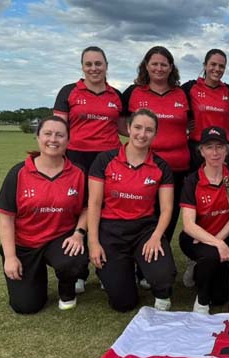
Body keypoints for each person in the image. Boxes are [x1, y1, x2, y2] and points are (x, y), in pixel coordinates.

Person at [0, 116, 88, 313]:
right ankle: (35, 278)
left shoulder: (79, 172)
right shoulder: (18, 172)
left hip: (59, 239)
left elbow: (87, 208)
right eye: (47, 133)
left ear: (68, 141)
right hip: (25, 244)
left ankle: (67, 290)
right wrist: (10, 257)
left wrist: (79, 233)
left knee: (74, 258)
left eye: (60, 135)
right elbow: (6, 219)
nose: (53, 139)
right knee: (26, 306)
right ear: (38, 137)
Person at [87, 108, 176, 312]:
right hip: (111, 230)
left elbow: (166, 209)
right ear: (128, 128)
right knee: (122, 303)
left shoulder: (161, 166)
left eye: (149, 130)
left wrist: (156, 237)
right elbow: (94, 203)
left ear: (155, 134)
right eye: (137, 127)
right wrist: (93, 242)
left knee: (163, 275)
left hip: (144, 229)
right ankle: (118, 274)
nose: (142, 134)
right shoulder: (105, 160)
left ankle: (161, 292)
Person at [54, 46, 123, 293]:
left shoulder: (116, 95)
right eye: (89, 64)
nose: (94, 68)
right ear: (82, 67)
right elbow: (58, 129)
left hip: (108, 160)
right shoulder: (69, 92)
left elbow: (127, 127)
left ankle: (105, 268)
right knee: (78, 211)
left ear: (106, 65)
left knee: (105, 213)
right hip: (76, 159)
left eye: (98, 63)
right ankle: (78, 270)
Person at [122, 46, 189, 242]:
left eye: (163, 64)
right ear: (146, 66)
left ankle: (161, 251)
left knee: (169, 213)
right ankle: (139, 256)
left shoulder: (182, 93)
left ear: (171, 68)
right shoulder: (133, 92)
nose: (159, 68)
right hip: (143, 165)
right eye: (154, 64)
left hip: (177, 167)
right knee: (143, 212)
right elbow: (120, 122)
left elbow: (192, 121)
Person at [179, 126, 229, 314]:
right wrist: (217, 244)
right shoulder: (192, 180)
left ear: (227, 150)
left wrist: (219, 241)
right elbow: (188, 225)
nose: (215, 152)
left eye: (220, 147)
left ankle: (202, 272)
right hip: (195, 237)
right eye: (209, 147)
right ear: (201, 151)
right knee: (211, 255)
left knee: (220, 298)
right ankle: (201, 302)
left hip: (225, 235)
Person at [182, 49, 229, 170]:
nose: (217, 69)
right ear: (205, 65)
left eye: (221, 66)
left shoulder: (228, 90)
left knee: (223, 187)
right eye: (213, 64)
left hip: (223, 149)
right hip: (198, 149)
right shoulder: (191, 87)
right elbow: (170, 97)